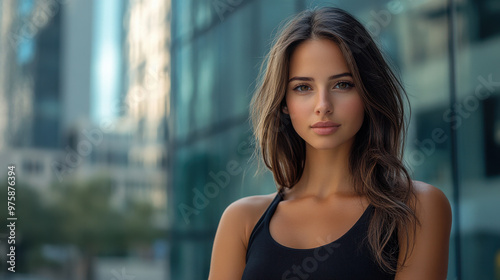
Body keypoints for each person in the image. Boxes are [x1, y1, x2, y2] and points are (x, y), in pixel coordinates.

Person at [209, 6, 452, 280]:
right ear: (284, 103)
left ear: (367, 92)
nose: (323, 106)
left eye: (342, 85)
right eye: (303, 87)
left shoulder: (417, 208)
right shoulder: (241, 220)